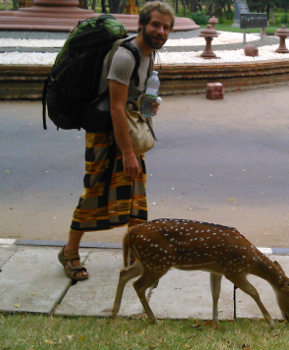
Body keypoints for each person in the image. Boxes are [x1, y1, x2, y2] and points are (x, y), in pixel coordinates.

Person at [58, 1, 175, 281]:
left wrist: (149, 104)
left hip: (128, 134)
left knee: (136, 197)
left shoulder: (149, 55)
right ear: (142, 25)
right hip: (106, 136)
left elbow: (131, 101)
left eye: (166, 27)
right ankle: (69, 253)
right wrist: (128, 154)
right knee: (95, 192)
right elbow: (114, 107)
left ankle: (136, 255)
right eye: (155, 24)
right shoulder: (125, 56)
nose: (160, 31)